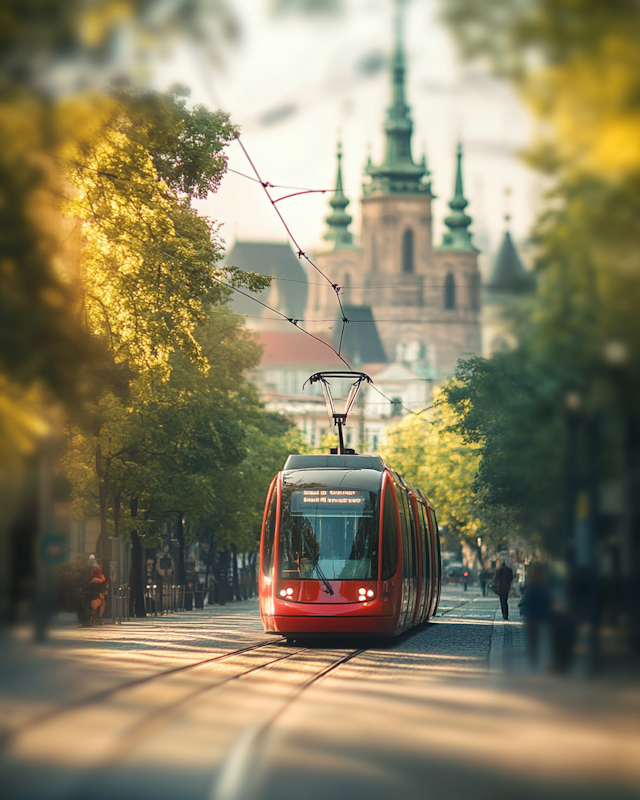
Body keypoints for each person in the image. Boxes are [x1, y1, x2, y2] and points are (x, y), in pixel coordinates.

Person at [519, 565, 551, 666]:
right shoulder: (542, 587)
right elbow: (547, 601)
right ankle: (534, 655)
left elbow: (525, 601)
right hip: (536, 616)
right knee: (534, 636)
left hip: (532, 616)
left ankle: (533, 655)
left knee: (533, 637)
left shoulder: (532, 587)